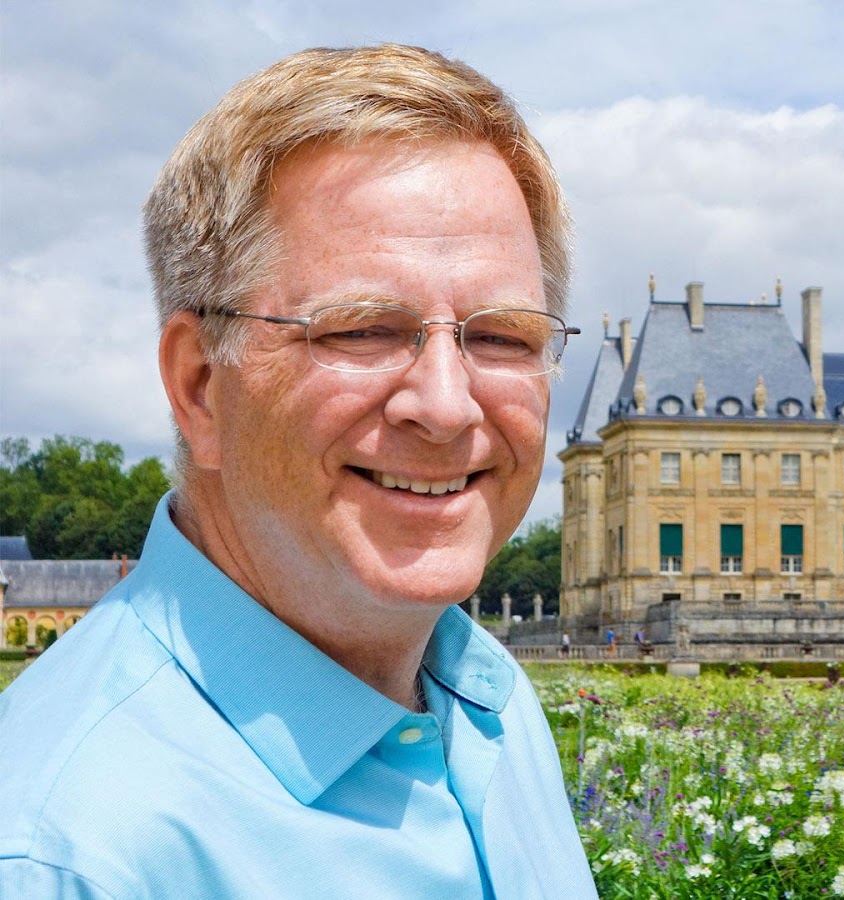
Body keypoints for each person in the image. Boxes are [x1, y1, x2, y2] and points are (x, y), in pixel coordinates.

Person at [0, 45, 597, 899]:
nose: (446, 405)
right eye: (359, 329)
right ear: (200, 387)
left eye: (503, 336)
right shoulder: (68, 856)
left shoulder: (494, 709)